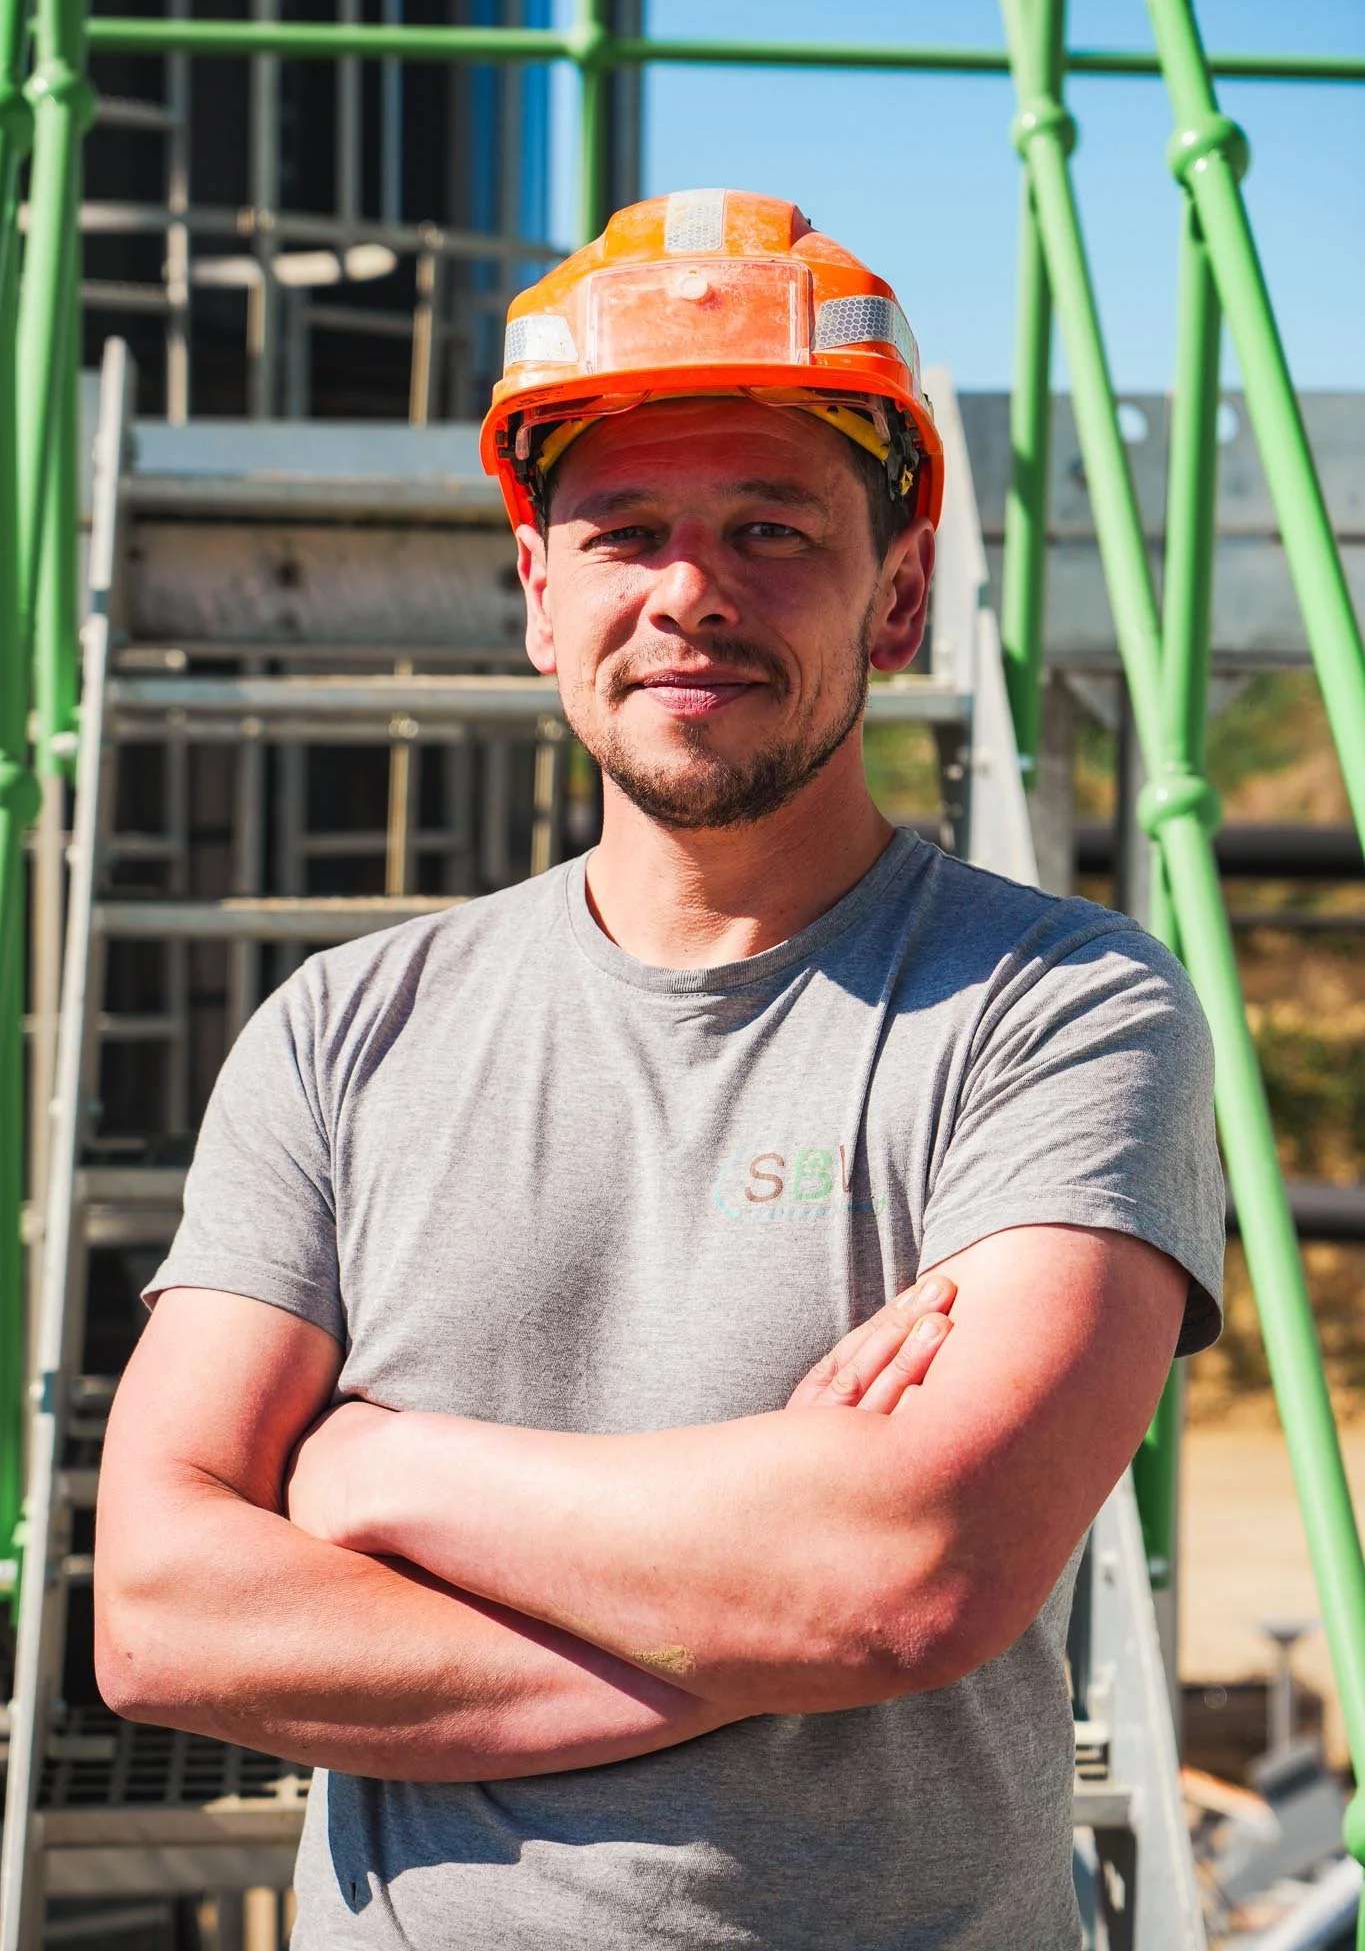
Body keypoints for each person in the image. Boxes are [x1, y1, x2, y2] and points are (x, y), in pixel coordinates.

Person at [95, 190, 1224, 1949]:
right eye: (625, 534)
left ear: (899, 591)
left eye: (775, 527)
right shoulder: (344, 1030)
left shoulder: (1061, 1011)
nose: (691, 594)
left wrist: (386, 1474)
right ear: (542, 599)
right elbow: (162, 1614)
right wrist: (747, 1622)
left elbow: (912, 1581)